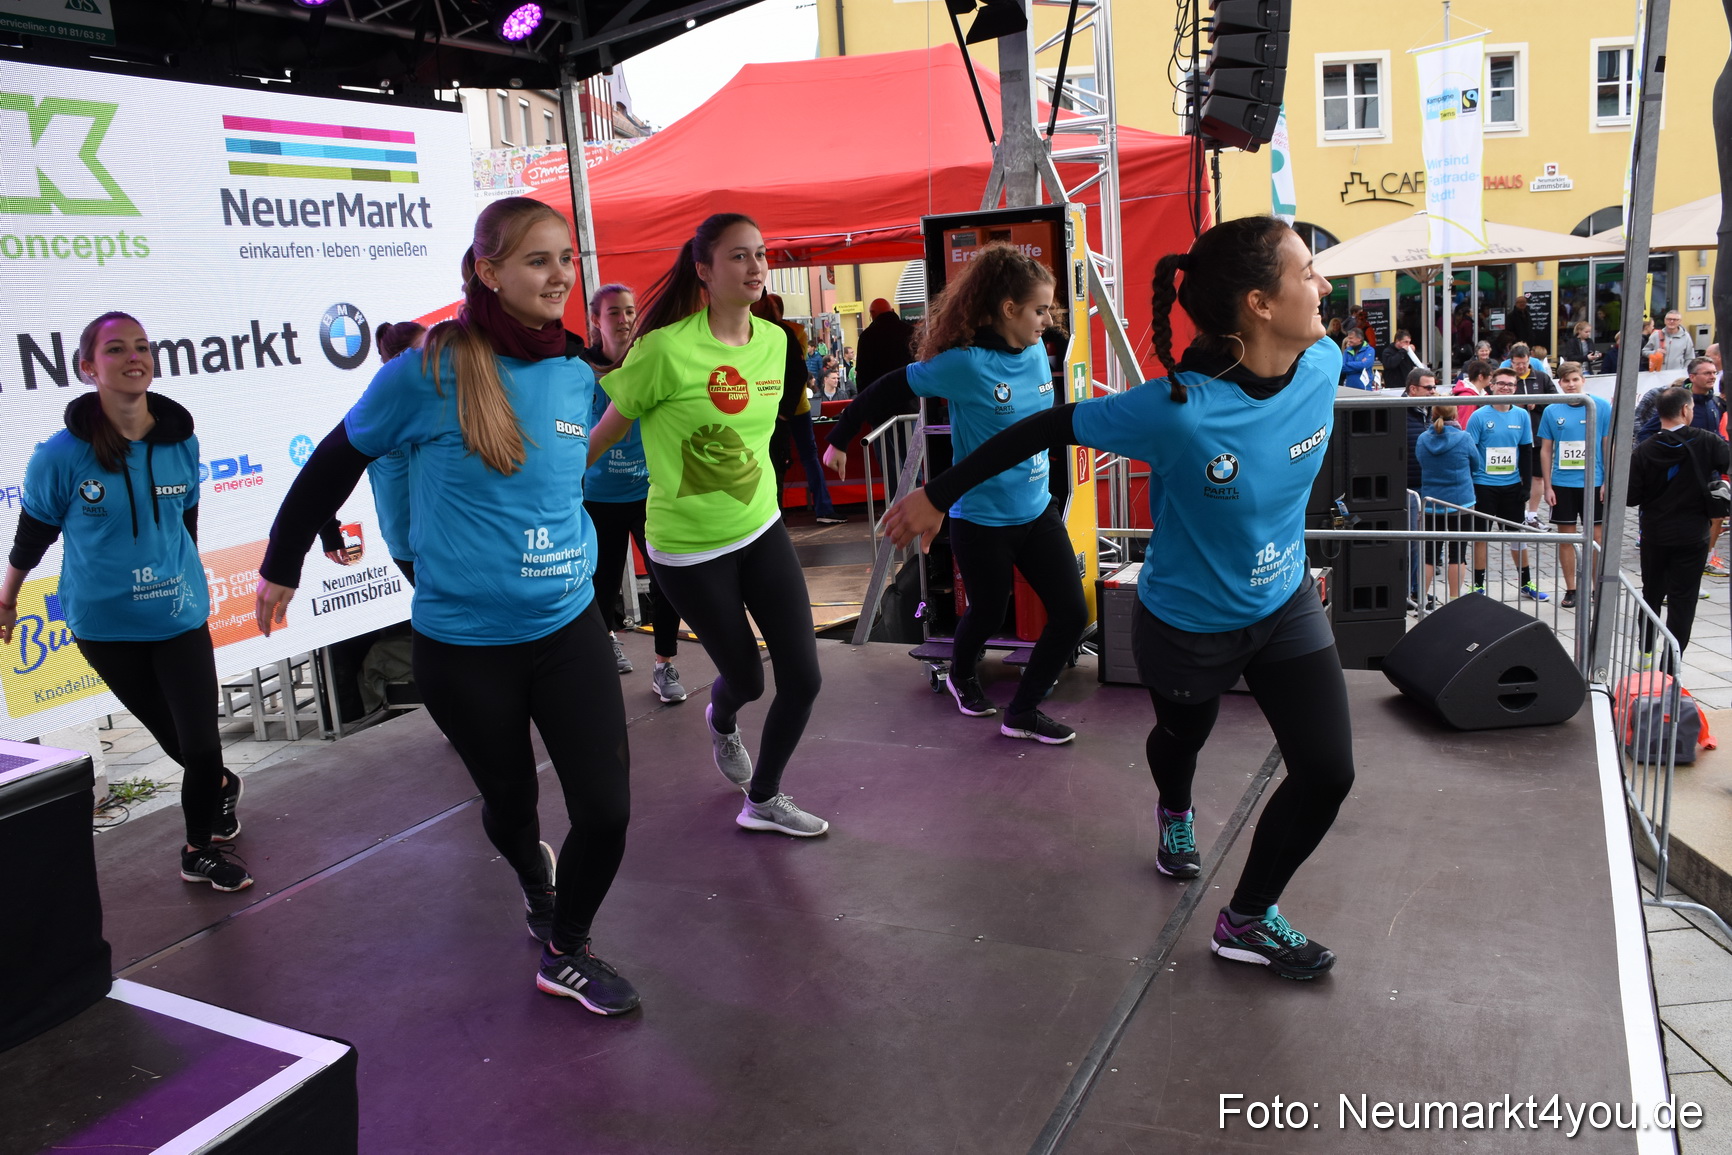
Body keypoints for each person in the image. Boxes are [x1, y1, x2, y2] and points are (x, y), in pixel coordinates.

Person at [884, 216, 1351, 980]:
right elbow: (1043, 426)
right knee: (1182, 739)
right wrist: (937, 492)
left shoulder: (1324, 362)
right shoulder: (1178, 409)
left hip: (1285, 602)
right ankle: (1174, 809)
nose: (1324, 284)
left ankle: (1247, 916)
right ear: (1261, 304)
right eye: (1308, 271)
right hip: (1190, 621)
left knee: (1328, 770)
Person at [253, 197, 639, 1014]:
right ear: (490, 271)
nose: (560, 275)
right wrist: (282, 560)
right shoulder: (426, 372)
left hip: (568, 627)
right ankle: (536, 880)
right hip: (465, 650)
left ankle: (565, 948)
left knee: (605, 811)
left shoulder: (575, 374)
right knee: (510, 807)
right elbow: (334, 459)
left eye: (566, 259)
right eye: (539, 260)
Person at [588, 212, 830, 837]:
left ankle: (765, 799)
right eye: (739, 256)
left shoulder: (776, 342)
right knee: (746, 678)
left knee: (803, 678)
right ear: (704, 270)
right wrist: (548, 490)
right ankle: (721, 721)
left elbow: (759, 435)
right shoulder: (665, 349)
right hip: (688, 550)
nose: (756, 267)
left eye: (761, 253)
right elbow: (604, 432)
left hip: (762, 529)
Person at [1, 312, 249, 892]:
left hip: (178, 614)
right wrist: (7, 599)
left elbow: (185, 523)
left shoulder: (180, 441)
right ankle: (219, 787)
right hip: (104, 625)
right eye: (116, 349)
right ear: (89, 367)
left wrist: (180, 573)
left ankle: (198, 849)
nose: (134, 356)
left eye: (142, 346)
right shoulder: (60, 456)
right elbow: (32, 536)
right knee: (172, 737)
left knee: (200, 741)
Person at [821, 244, 1088, 743]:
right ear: (1009, 310)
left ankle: (1023, 712)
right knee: (987, 609)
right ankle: (962, 674)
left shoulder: (1036, 350)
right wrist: (839, 437)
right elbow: (885, 388)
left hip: (1037, 511)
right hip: (981, 519)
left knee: (1073, 614)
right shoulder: (966, 365)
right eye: (1039, 309)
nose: (1047, 320)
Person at [580, 283, 688, 703]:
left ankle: (664, 664)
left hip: (650, 493)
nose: (624, 320)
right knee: (601, 582)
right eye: (614, 313)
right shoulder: (580, 371)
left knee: (667, 581)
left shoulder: (649, 357)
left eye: (629, 311)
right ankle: (606, 638)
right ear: (595, 320)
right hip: (599, 496)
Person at [1628, 386, 1732, 664]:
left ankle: (1646, 650)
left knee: (1651, 592)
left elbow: (1630, 497)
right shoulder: (1706, 441)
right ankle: (1671, 662)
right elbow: (1727, 463)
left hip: (1655, 533)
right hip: (1692, 534)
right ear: (1686, 410)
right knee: (1683, 600)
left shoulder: (1644, 450)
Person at [755, 293, 846, 525]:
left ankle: (775, 514)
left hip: (775, 408)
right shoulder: (796, 331)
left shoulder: (762, 331)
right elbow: (799, 371)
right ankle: (823, 508)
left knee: (774, 461)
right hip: (798, 407)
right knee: (808, 457)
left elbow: (793, 373)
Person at [1465, 367, 1546, 601]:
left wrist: (1526, 487)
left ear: (1516, 388)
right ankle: (1478, 586)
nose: (1506, 388)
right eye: (1501, 383)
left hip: (1511, 486)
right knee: (1481, 536)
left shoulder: (1521, 415)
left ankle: (1525, 582)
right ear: (1491, 385)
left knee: (1518, 536)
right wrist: (1472, 484)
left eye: (1510, 385)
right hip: (1483, 485)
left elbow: (1526, 452)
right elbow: (1470, 453)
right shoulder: (1479, 416)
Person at [1537, 361, 1612, 609]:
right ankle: (1572, 588)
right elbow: (1546, 450)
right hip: (1563, 484)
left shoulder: (1600, 407)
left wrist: (1607, 482)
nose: (1571, 385)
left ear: (1583, 380)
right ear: (1560, 384)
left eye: (1575, 379)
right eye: (1566, 381)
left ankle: (1595, 587)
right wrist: (1548, 486)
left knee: (1597, 537)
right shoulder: (1551, 410)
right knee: (1566, 538)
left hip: (1594, 482)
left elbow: (1606, 445)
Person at [1417, 404, 1477, 603]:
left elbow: (1421, 462)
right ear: (1455, 413)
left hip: (1431, 504)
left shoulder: (1423, 439)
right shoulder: (1464, 438)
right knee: (1457, 554)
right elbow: (1476, 464)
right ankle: (1453, 599)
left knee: (1429, 556)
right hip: (1461, 504)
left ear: (1433, 414)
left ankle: (1422, 599)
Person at [1401, 369, 1438, 609]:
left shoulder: (1429, 412)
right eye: (1429, 388)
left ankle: (1417, 589)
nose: (1434, 391)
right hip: (1409, 489)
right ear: (1413, 389)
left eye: (1435, 387)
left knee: (1424, 542)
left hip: (1428, 487)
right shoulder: (1399, 414)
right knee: (1412, 543)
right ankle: (1409, 592)